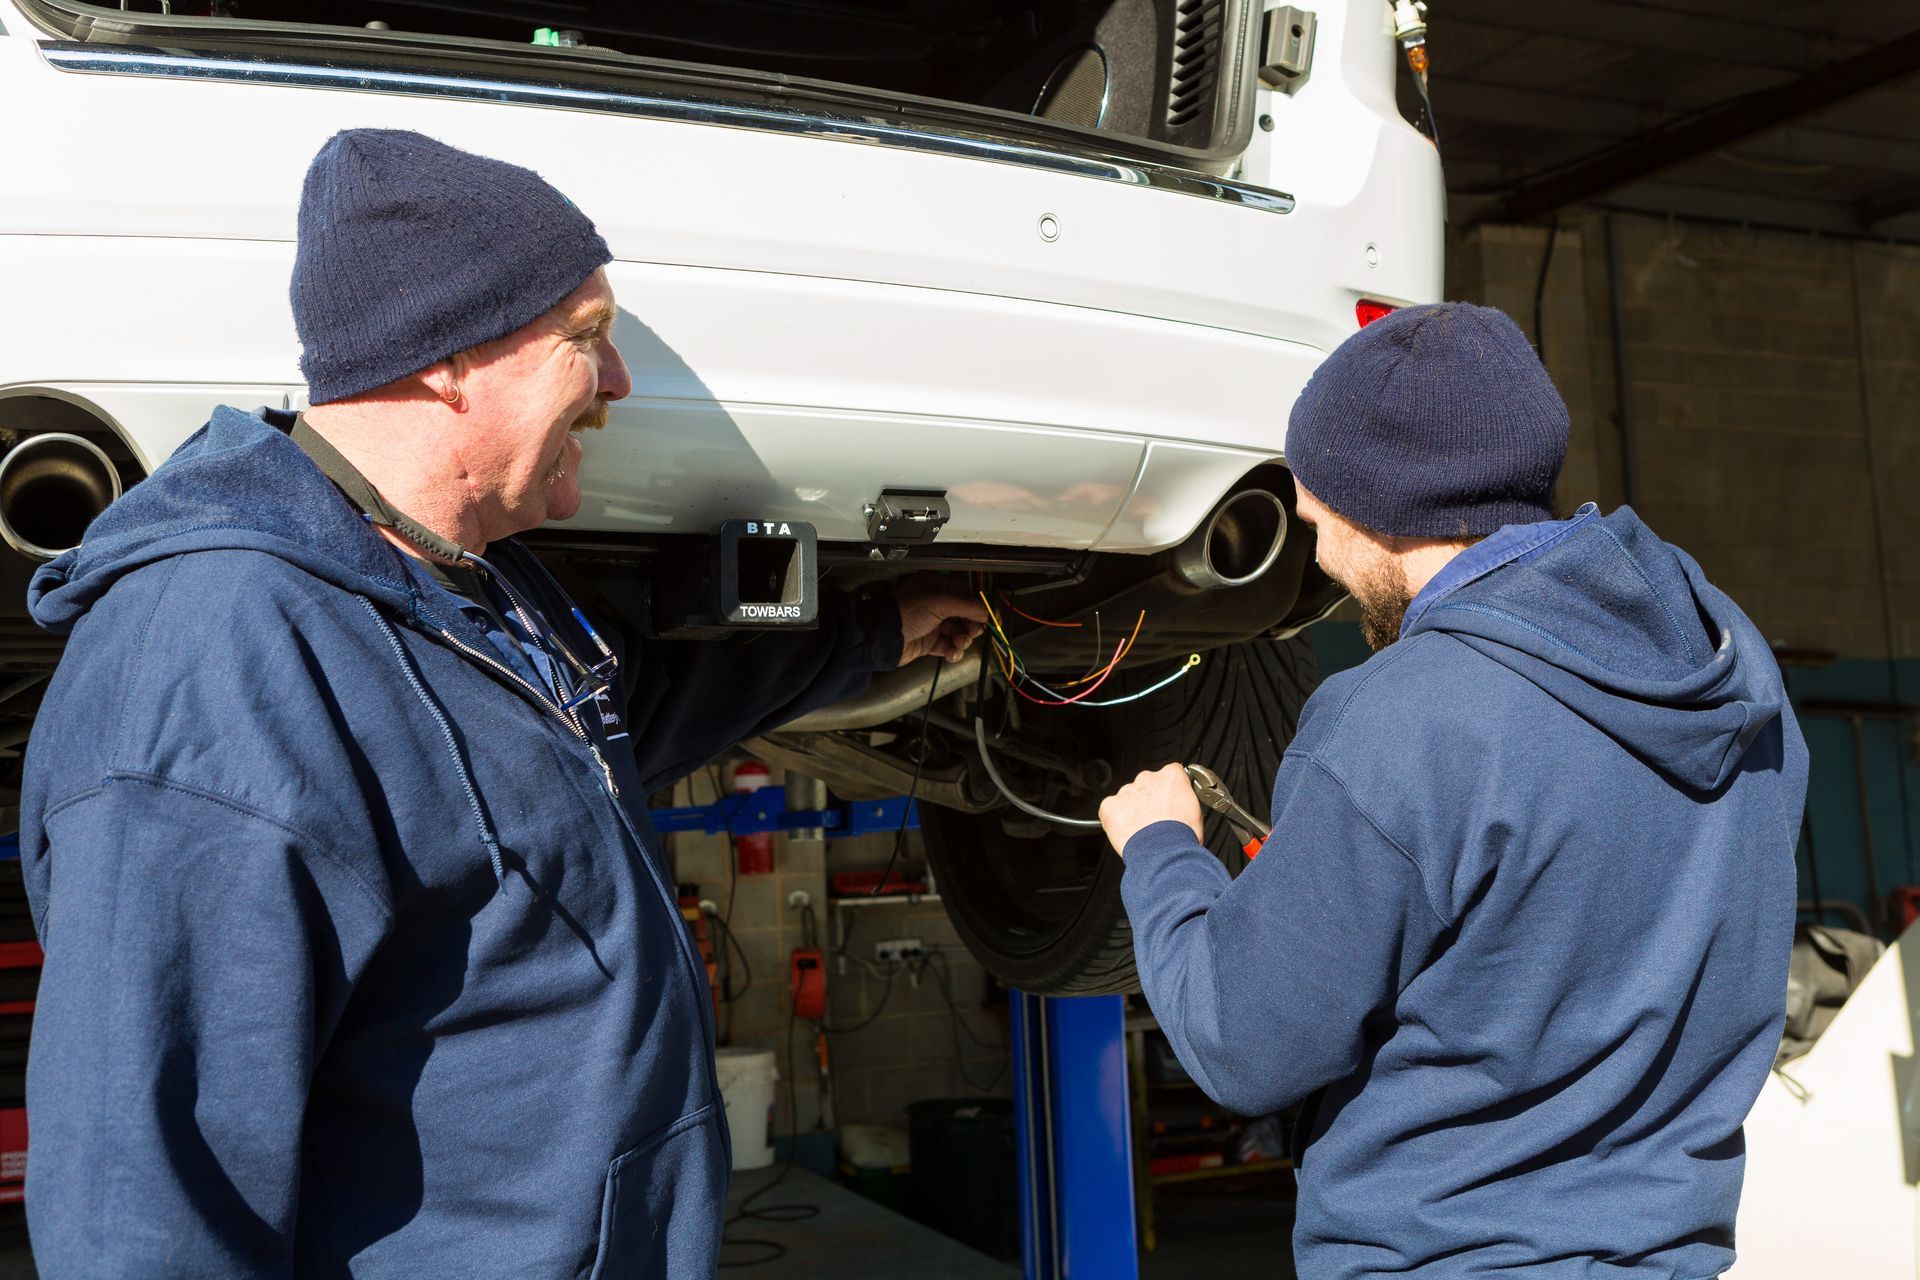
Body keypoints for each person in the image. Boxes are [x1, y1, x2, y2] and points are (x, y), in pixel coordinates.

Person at [18, 129, 984, 1278]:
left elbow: (629, 726)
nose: (619, 384)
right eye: (587, 340)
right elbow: (146, 1201)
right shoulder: (216, 666)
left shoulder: (470, 583)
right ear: (445, 359)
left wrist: (881, 633)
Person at [1099, 303, 1805, 1279]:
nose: (1316, 552)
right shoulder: (1730, 663)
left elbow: (1242, 1045)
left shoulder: (1401, 719)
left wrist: (1164, 852)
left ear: (1379, 507)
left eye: (1317, 517)